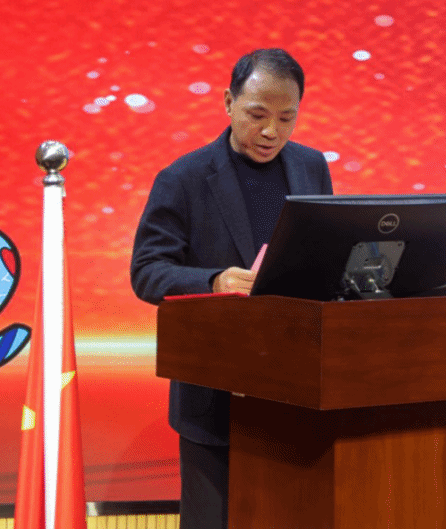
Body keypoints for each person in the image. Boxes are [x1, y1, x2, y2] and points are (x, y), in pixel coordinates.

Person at [130, 47, 333, 529]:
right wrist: (214, 280)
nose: (271, 132)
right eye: (257, 115)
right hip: (214, 393)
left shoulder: (311, 167)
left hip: (294, 390)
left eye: (286, 118)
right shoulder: (183, 177)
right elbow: (147, 271)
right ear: (228, 102)